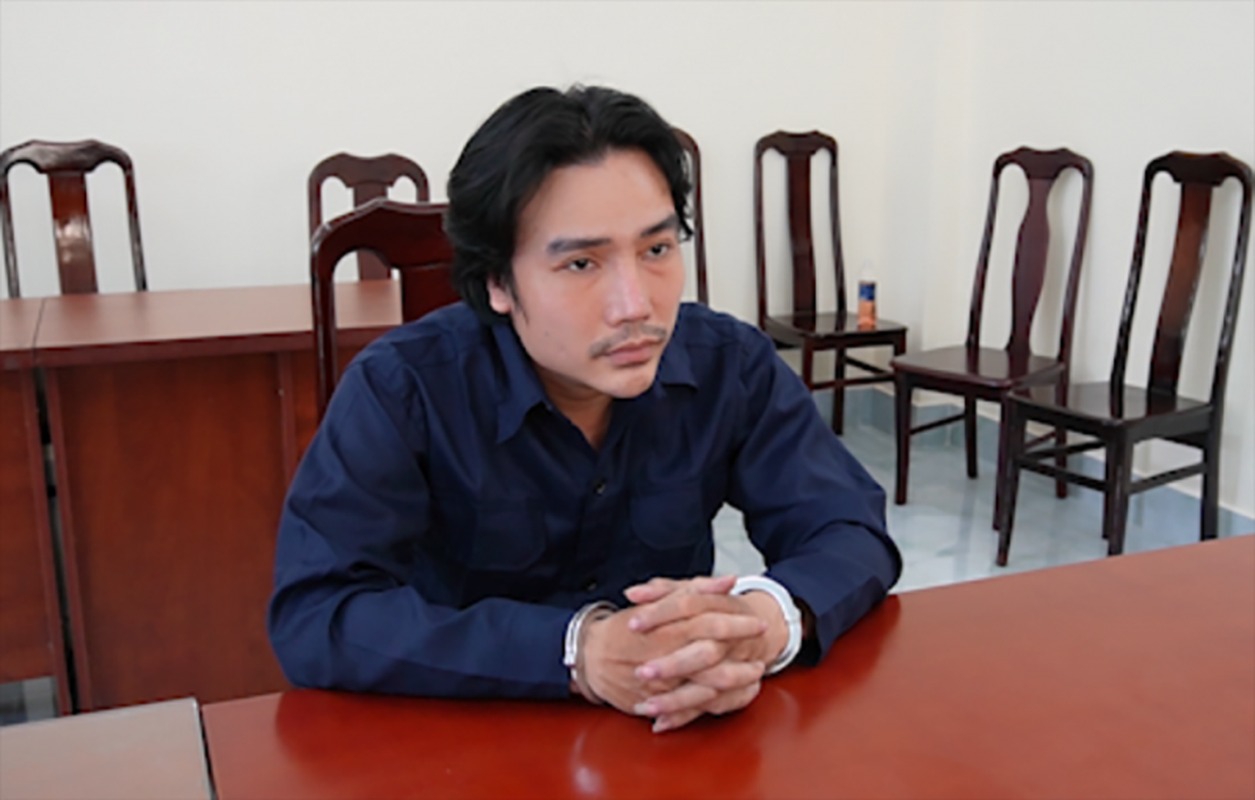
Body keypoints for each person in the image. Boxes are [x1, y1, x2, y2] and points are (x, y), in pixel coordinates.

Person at [269, 84, 901, 733]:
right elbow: (317, 614)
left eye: (656, 250)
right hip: (469, 740)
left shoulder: (728, 365)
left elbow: (848, 529)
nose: (635, 305)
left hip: (670, 741)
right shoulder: (402, 388)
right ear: (496, 282)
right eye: (580, 263)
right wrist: (577, 653)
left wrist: (763, 622)